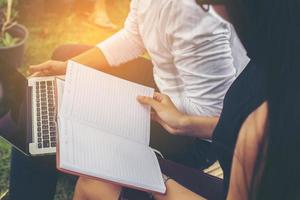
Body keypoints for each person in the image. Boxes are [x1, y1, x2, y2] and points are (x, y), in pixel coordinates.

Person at [9, 0, 249, 199]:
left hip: (193, 138)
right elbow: (134, 35)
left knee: (42, 121)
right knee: (65, 57)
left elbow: (210, 112)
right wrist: (71, 67)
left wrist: (103, 101)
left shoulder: (191, 11)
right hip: (168, 90)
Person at [72, 0, 300, 199]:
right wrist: (185, 123)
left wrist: (158, 186)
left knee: (96, 180)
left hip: (228, 184)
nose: (213, 11)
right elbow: (233, 125)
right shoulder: (272, 69)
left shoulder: (266, 118)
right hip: (230, 166)